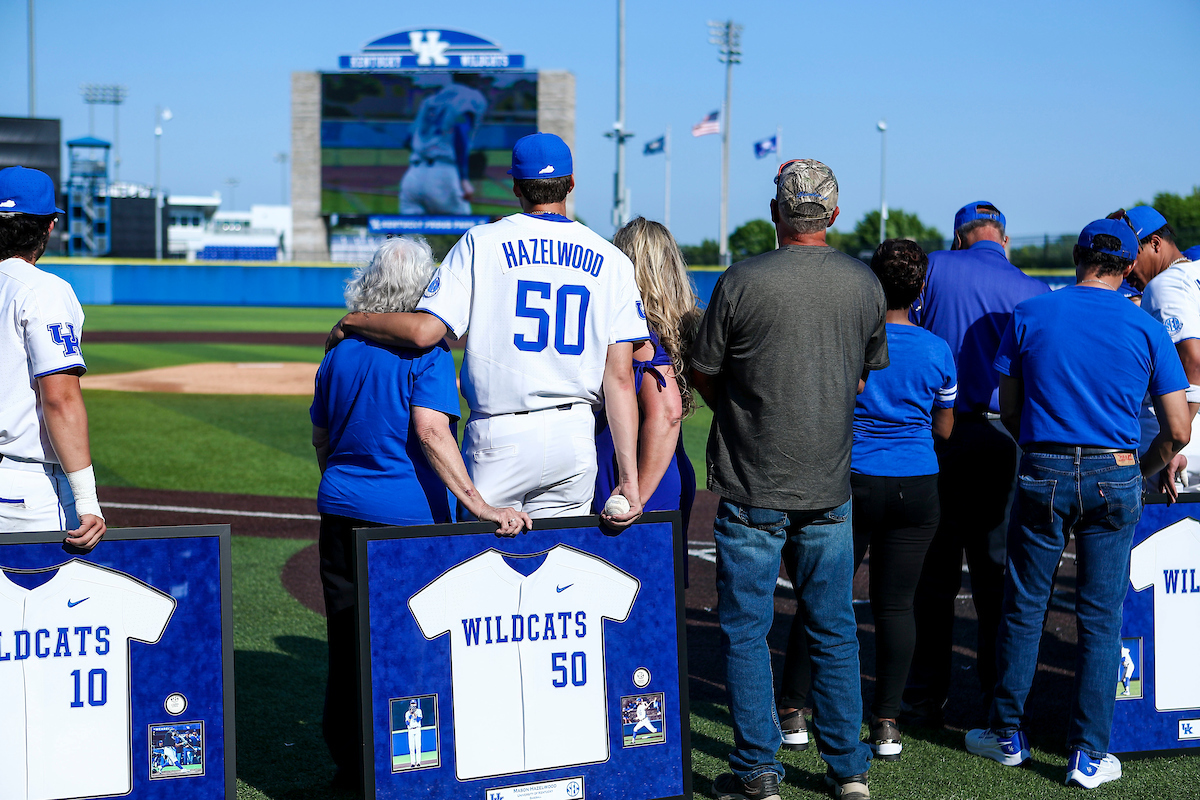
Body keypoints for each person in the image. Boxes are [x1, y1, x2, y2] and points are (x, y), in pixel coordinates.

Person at [965, 219, 1190, 789]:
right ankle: (1088, 753)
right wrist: (1139, 469)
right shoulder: (1143, 325)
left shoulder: (1033, 313)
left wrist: (1044, 451)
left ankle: (1007, 733)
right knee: (1100, 618)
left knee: (1024, 604)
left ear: (1076, 256)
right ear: (1126, 265)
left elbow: (1010, 409)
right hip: (1116, 471)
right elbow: (1179, 430)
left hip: (1043, 467)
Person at [329, 133, 648, 527]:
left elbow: (426, 332)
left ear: (514, 185)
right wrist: (629, 480)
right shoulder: (613, 260)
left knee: (485, 570)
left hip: (502, 434)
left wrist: (353, 320)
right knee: (558, 570)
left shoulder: (481, 242)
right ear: (570, 183)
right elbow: (618, 378)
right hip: (574, 435)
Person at [690, 159, 886, 800]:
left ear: (777, 212)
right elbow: (861, 378)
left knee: (748, 632)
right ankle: (849, 770)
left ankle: (759, 773)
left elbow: (707, 373)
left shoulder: (741, 280)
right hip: (828, 485)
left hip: (752, 483)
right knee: (833, 628)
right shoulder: (862, 283)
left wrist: (750, 410)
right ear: (833, 214)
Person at [311, 235, 532, 790]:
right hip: (406, 524)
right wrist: (478, 503)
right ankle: (407, 765)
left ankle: (348, 764)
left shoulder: (337, 350)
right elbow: (432, 431)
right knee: (409, 649)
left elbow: (321, 437)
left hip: (340, 508)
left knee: (347, 640)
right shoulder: (427, 354)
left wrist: (343, 485)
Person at [787, 239, 956, 762]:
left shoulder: (851, 341)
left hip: (852, 479)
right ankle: (886, 724)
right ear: (922, 287)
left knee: (822, 594)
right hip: (916, 484)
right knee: (896, 605)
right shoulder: (936, 350)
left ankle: (793, 711)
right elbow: (944, 428)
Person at [904, 201, 1049, 725]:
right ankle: (996, 699)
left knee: (933, 573)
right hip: (1002, 436)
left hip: (937, 434)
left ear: (960, 236)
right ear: (1003, 239)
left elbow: (904, 333)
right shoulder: (1033, 289)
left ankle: (923, 698)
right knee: (997, 577)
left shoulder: (937, 266)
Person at [0, 166, 105, 547]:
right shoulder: (42, 290)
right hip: (21, 493)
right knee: (33, 602)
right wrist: (87, 500)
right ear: (49, 226)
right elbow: (59, 398)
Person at [592, 217, 698, 537]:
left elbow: (667, 412)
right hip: (667, 469)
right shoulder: (684, 326)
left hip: (635, 478)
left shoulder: (639, 338)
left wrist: (633, 493)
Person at [1115, 206, 1199, 491]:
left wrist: (1172, 446)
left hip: (1184, 452)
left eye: (1131, 256)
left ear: (1155, 244)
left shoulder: (1166, 284)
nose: (1126, 270)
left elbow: (1194, 362)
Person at [398, 75, 488, 216]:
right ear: (474, 77)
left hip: (413, 176)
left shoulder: (431, 99)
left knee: (407, 236)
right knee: (465, 232)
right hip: (443, 175)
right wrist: (463, 178)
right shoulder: (471, 96)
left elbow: (408, 140)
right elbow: (460, 131)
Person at [406, 699, 424, 768]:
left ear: (416, 704)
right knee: (411, 747)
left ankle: (418, 762)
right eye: (412, 703)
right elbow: (407, 723)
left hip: (417, 729)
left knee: (418, 746)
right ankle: (413, 763)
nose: (413, 705)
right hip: (410, 730)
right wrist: (410, 715)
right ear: (410, 704)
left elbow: (418, 719)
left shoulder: (419, 711)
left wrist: (414, 713)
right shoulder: (407, 713)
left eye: (414, 703)